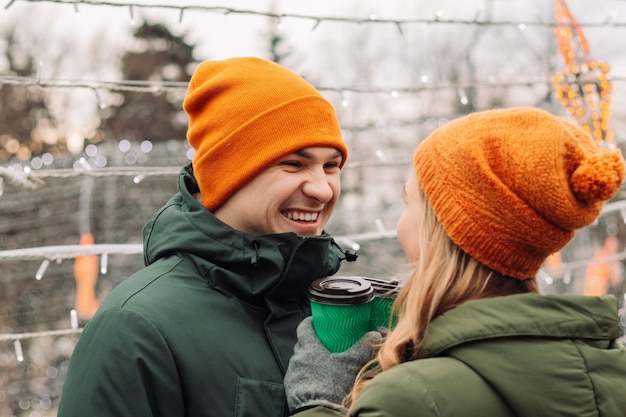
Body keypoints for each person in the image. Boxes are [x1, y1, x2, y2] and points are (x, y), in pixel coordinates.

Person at [57, 57, 354, 417]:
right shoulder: (135, 331)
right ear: (228, 175)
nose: (322, 190)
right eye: (293, 163)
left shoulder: (334, 314)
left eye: (331, 166)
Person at [284, 107, 626, 416]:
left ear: (440, 230)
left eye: (409, 201)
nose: (400, 224)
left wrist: (319, 401)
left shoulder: (409, 399)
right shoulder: (611, 369)